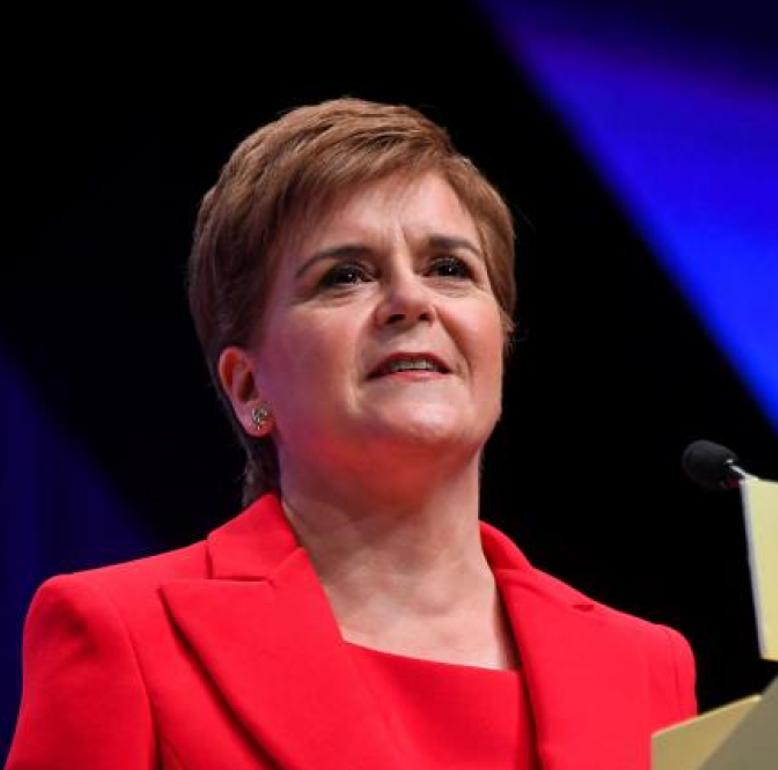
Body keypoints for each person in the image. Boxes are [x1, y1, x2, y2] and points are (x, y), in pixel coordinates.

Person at [6, 98, 697, 770]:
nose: (411, 301)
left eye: (449, 268)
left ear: (499, 342)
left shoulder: (645, 668)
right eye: (346, 276)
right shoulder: (123, 633)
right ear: (248, 388)